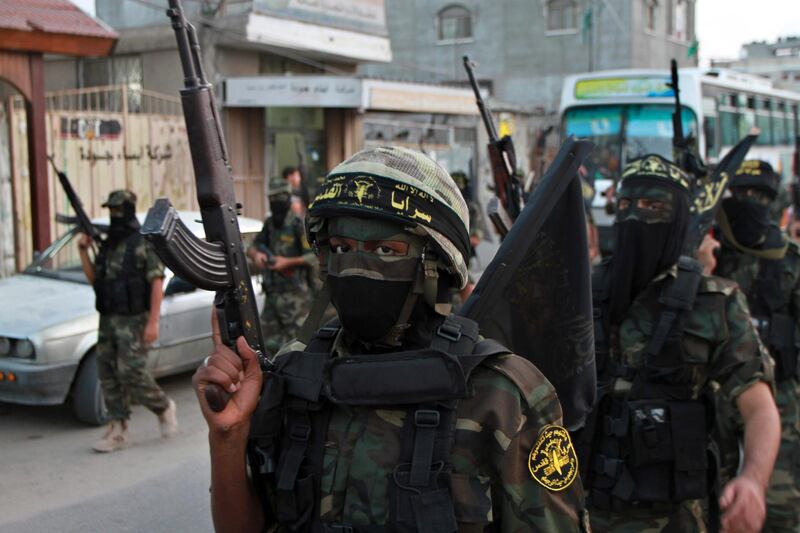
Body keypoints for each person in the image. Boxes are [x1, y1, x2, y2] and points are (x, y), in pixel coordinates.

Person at [193, 146, 590, 532]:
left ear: (436, 264)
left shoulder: (500, 394)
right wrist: (227, 435)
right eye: (341, 248)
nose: (355, 266)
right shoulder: (295, 373)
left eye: (385, 249)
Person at [582, 154, 780, 532]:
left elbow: (760, 410)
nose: (636, 216)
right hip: (585, 513)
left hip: (678, 518)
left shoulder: (714, 303)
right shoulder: (582, 292)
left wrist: (753, 480)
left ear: (679, 219)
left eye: (654, 206)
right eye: (626, 205)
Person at [714, 159, 800, 532]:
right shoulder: (711, 256)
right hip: (719, 401)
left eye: (759, 196)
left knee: (779, 506)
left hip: (780, 401)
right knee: (722, 504)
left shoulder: (789, 261)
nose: (748, 202)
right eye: (740, 194)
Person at [77, 189, 177, 453]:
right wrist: (83, 252)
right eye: (111, 210)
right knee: (107, 371)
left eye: (118, 209)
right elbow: (95, 281)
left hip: (134, 320)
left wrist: (153, 322)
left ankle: (163, 406)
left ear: (129, 209)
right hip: (108, 319)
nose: (114, 215)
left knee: (130, 371)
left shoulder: (143, 243)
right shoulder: (108, 244)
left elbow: (157, 282)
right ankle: (118, 429)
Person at [247, 177, 317, 355]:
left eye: (279, 198)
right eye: (272, 198)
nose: (275, 203)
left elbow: (314, 256)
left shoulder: (298, 224)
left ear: (287, 198)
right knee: (265, 346)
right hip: (272, 295)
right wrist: (257, 256)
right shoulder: (270, 225)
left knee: (299, 346)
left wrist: (287, 262)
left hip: (295, 298)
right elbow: (251, 247)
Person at [450, 170, 484, 302]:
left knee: (465, 285)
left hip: (463, 252)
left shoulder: (471, 208)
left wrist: (463, 241)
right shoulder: (445, 204)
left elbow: (476, 236)